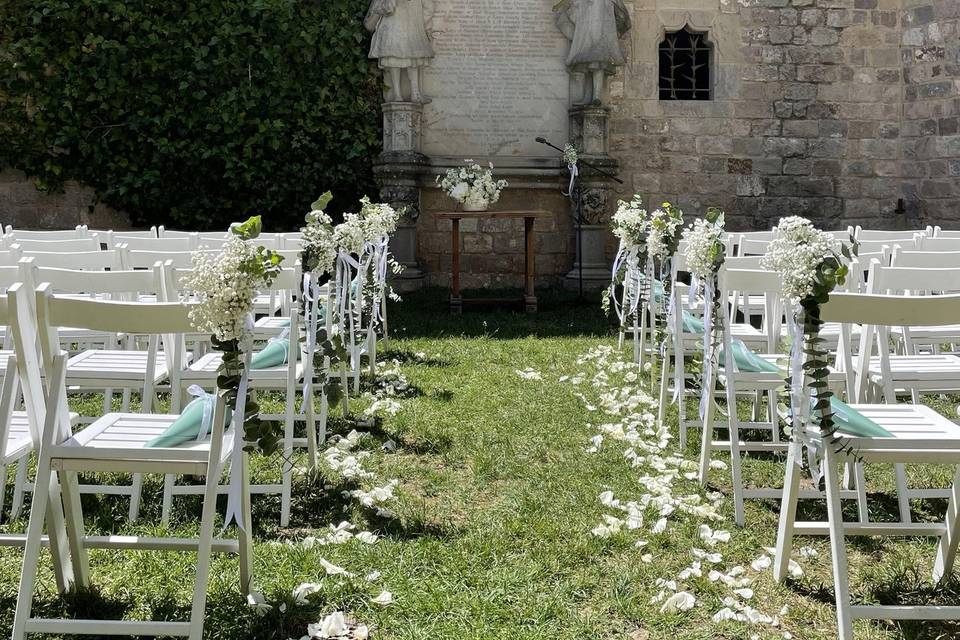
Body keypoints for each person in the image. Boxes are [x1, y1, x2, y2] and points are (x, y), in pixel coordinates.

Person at [555, 0, 631, 105]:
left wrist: (616, 27)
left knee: (598, 58)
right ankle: (590, 96)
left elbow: (619, 10)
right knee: (588, 58)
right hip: (588, 20)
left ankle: (596, 96)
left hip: (601, 21)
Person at [365, 0, 436, 103]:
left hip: (410, 23)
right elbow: (384, 7)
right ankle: (399, 94)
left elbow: (428, 6)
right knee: (395, 57)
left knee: (412, 57)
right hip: (395, 23)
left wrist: (426, 25)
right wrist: (426, 25)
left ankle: (412, 93)